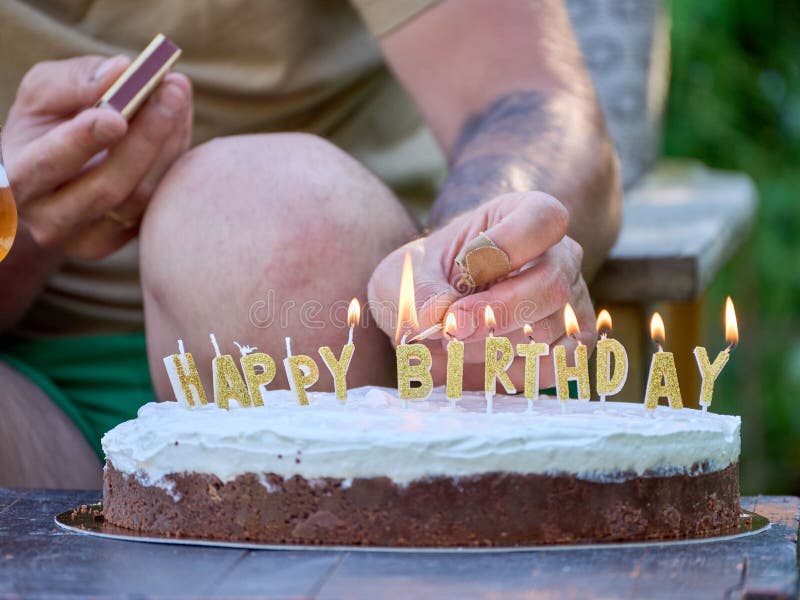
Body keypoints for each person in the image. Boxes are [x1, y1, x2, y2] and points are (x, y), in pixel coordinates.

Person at [0, 0, 621, 488]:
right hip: (34, 399)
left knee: (267, 208)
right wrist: (16, 212)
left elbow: (532, 100)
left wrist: (477, 251)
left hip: (357, 356)